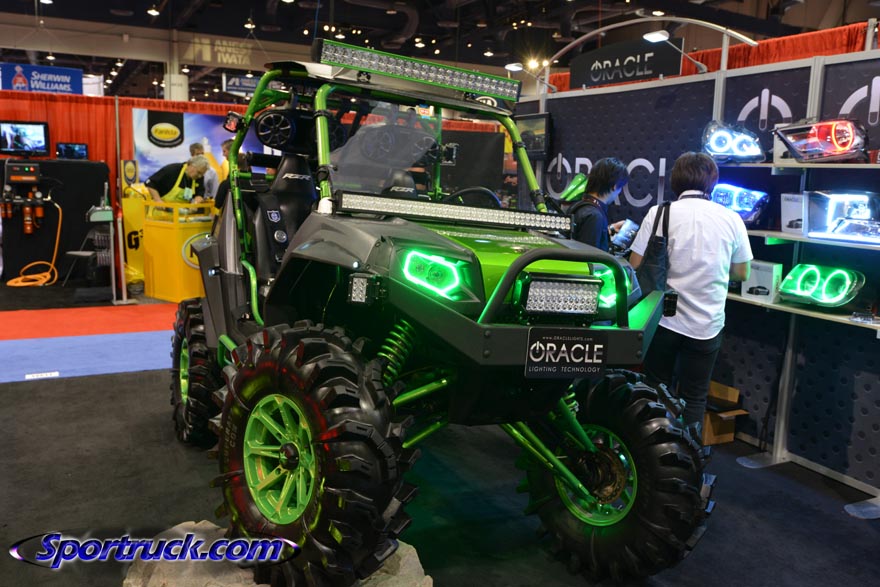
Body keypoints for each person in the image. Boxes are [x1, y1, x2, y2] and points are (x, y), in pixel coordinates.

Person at [629, 152, 753, 439]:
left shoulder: (659, 213)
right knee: (695, 396)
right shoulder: (732, 218)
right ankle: (692, 455)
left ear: (676, 179)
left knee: (655, 388)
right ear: (712, 181)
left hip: (663, 319)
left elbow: (635, 264)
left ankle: (653, 448)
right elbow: (742, 272)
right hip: (707, 324)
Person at [570, 158, 629, 251]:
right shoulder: (595, 216)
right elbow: (589, 255)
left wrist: (611, 229)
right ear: (614, 186)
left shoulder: (578, 206)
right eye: (621, 187)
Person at [144, 155, 209, 203]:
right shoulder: (172, 170)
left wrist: (196, 202)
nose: (199, 176)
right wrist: (158, 200)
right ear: (191, 165)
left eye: (202, 174)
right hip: (160, 213)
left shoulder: (199, 177)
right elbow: (150, 183)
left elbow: (200, 193)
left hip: (182, 214)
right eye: (198, 172)